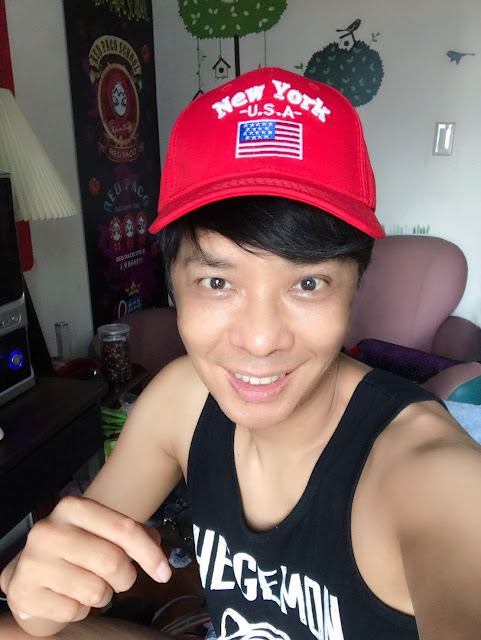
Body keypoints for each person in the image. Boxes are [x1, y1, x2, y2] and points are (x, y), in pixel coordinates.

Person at [1, 66, 481, 640]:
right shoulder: (182, 398)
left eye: (308, 284)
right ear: (174, 287)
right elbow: (56, 598)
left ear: (355, 287)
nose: (259, 340)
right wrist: (36, 593)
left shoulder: (429, 472)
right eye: (218, 282)